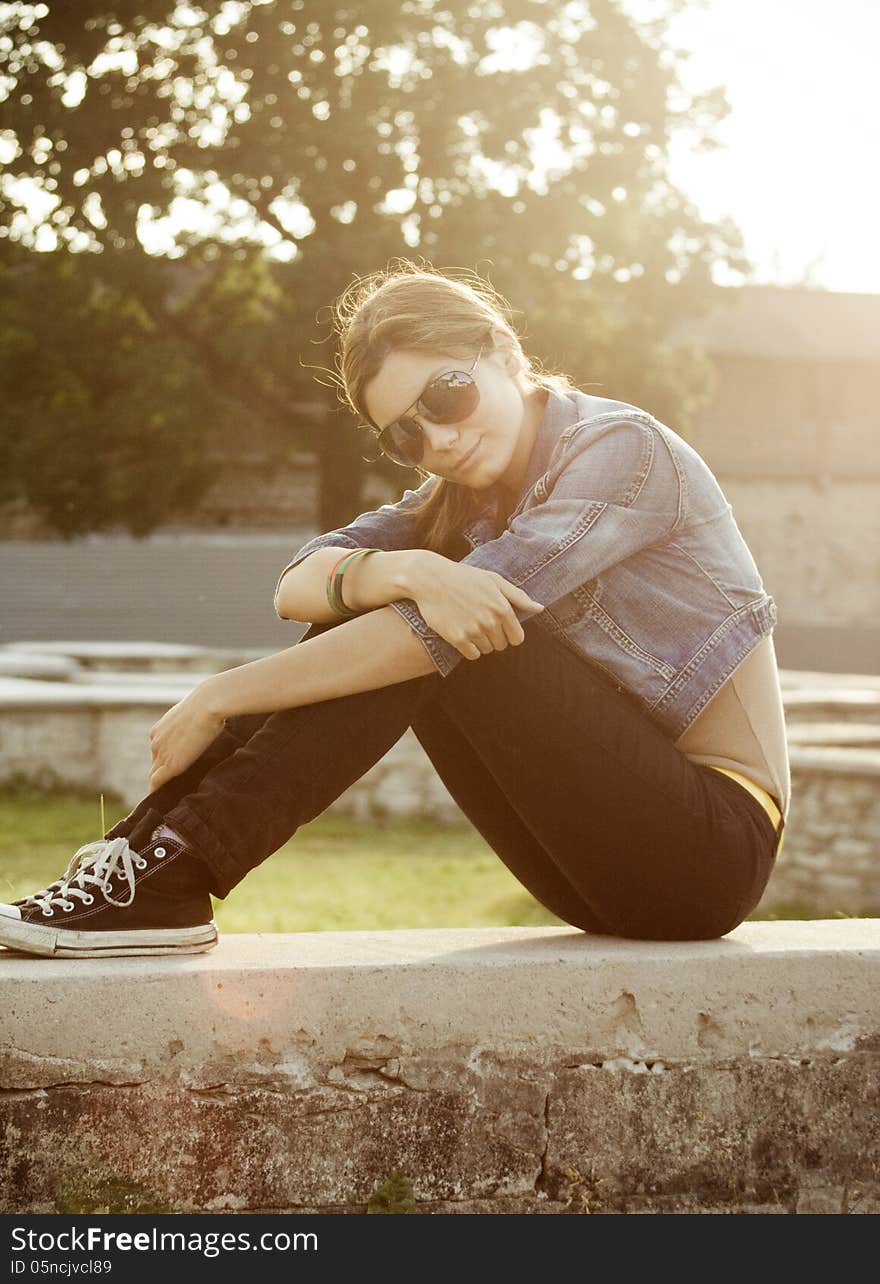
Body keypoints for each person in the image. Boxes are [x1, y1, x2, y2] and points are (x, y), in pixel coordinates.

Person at [0, 261, 789, 959]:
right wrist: (405, 567)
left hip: (710, 853)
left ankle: (174, 868)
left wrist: (220, 693)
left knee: (451, 625)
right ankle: (142, 865)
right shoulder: (458, 500)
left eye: (445, 394)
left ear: (503, 350)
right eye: (405, 434)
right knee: (419, 598)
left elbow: (436, 627)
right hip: (587, 871)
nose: (438, 439)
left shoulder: (622, 450)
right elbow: (298, 582)